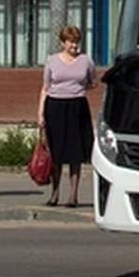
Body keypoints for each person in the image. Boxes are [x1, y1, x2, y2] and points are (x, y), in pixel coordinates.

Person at [37, 25, 97, 207]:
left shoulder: (86, 61)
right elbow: (45, 87)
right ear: (63, 43)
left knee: (75, 153)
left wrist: (77, 89)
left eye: (77, 41)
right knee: (56, 153)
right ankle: (54, 193)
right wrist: (40, 114)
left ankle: (73, 195)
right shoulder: (52, 61)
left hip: (77, 107)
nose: (74, 45)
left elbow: (93, 82)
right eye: (71, 42)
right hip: (55, 107)